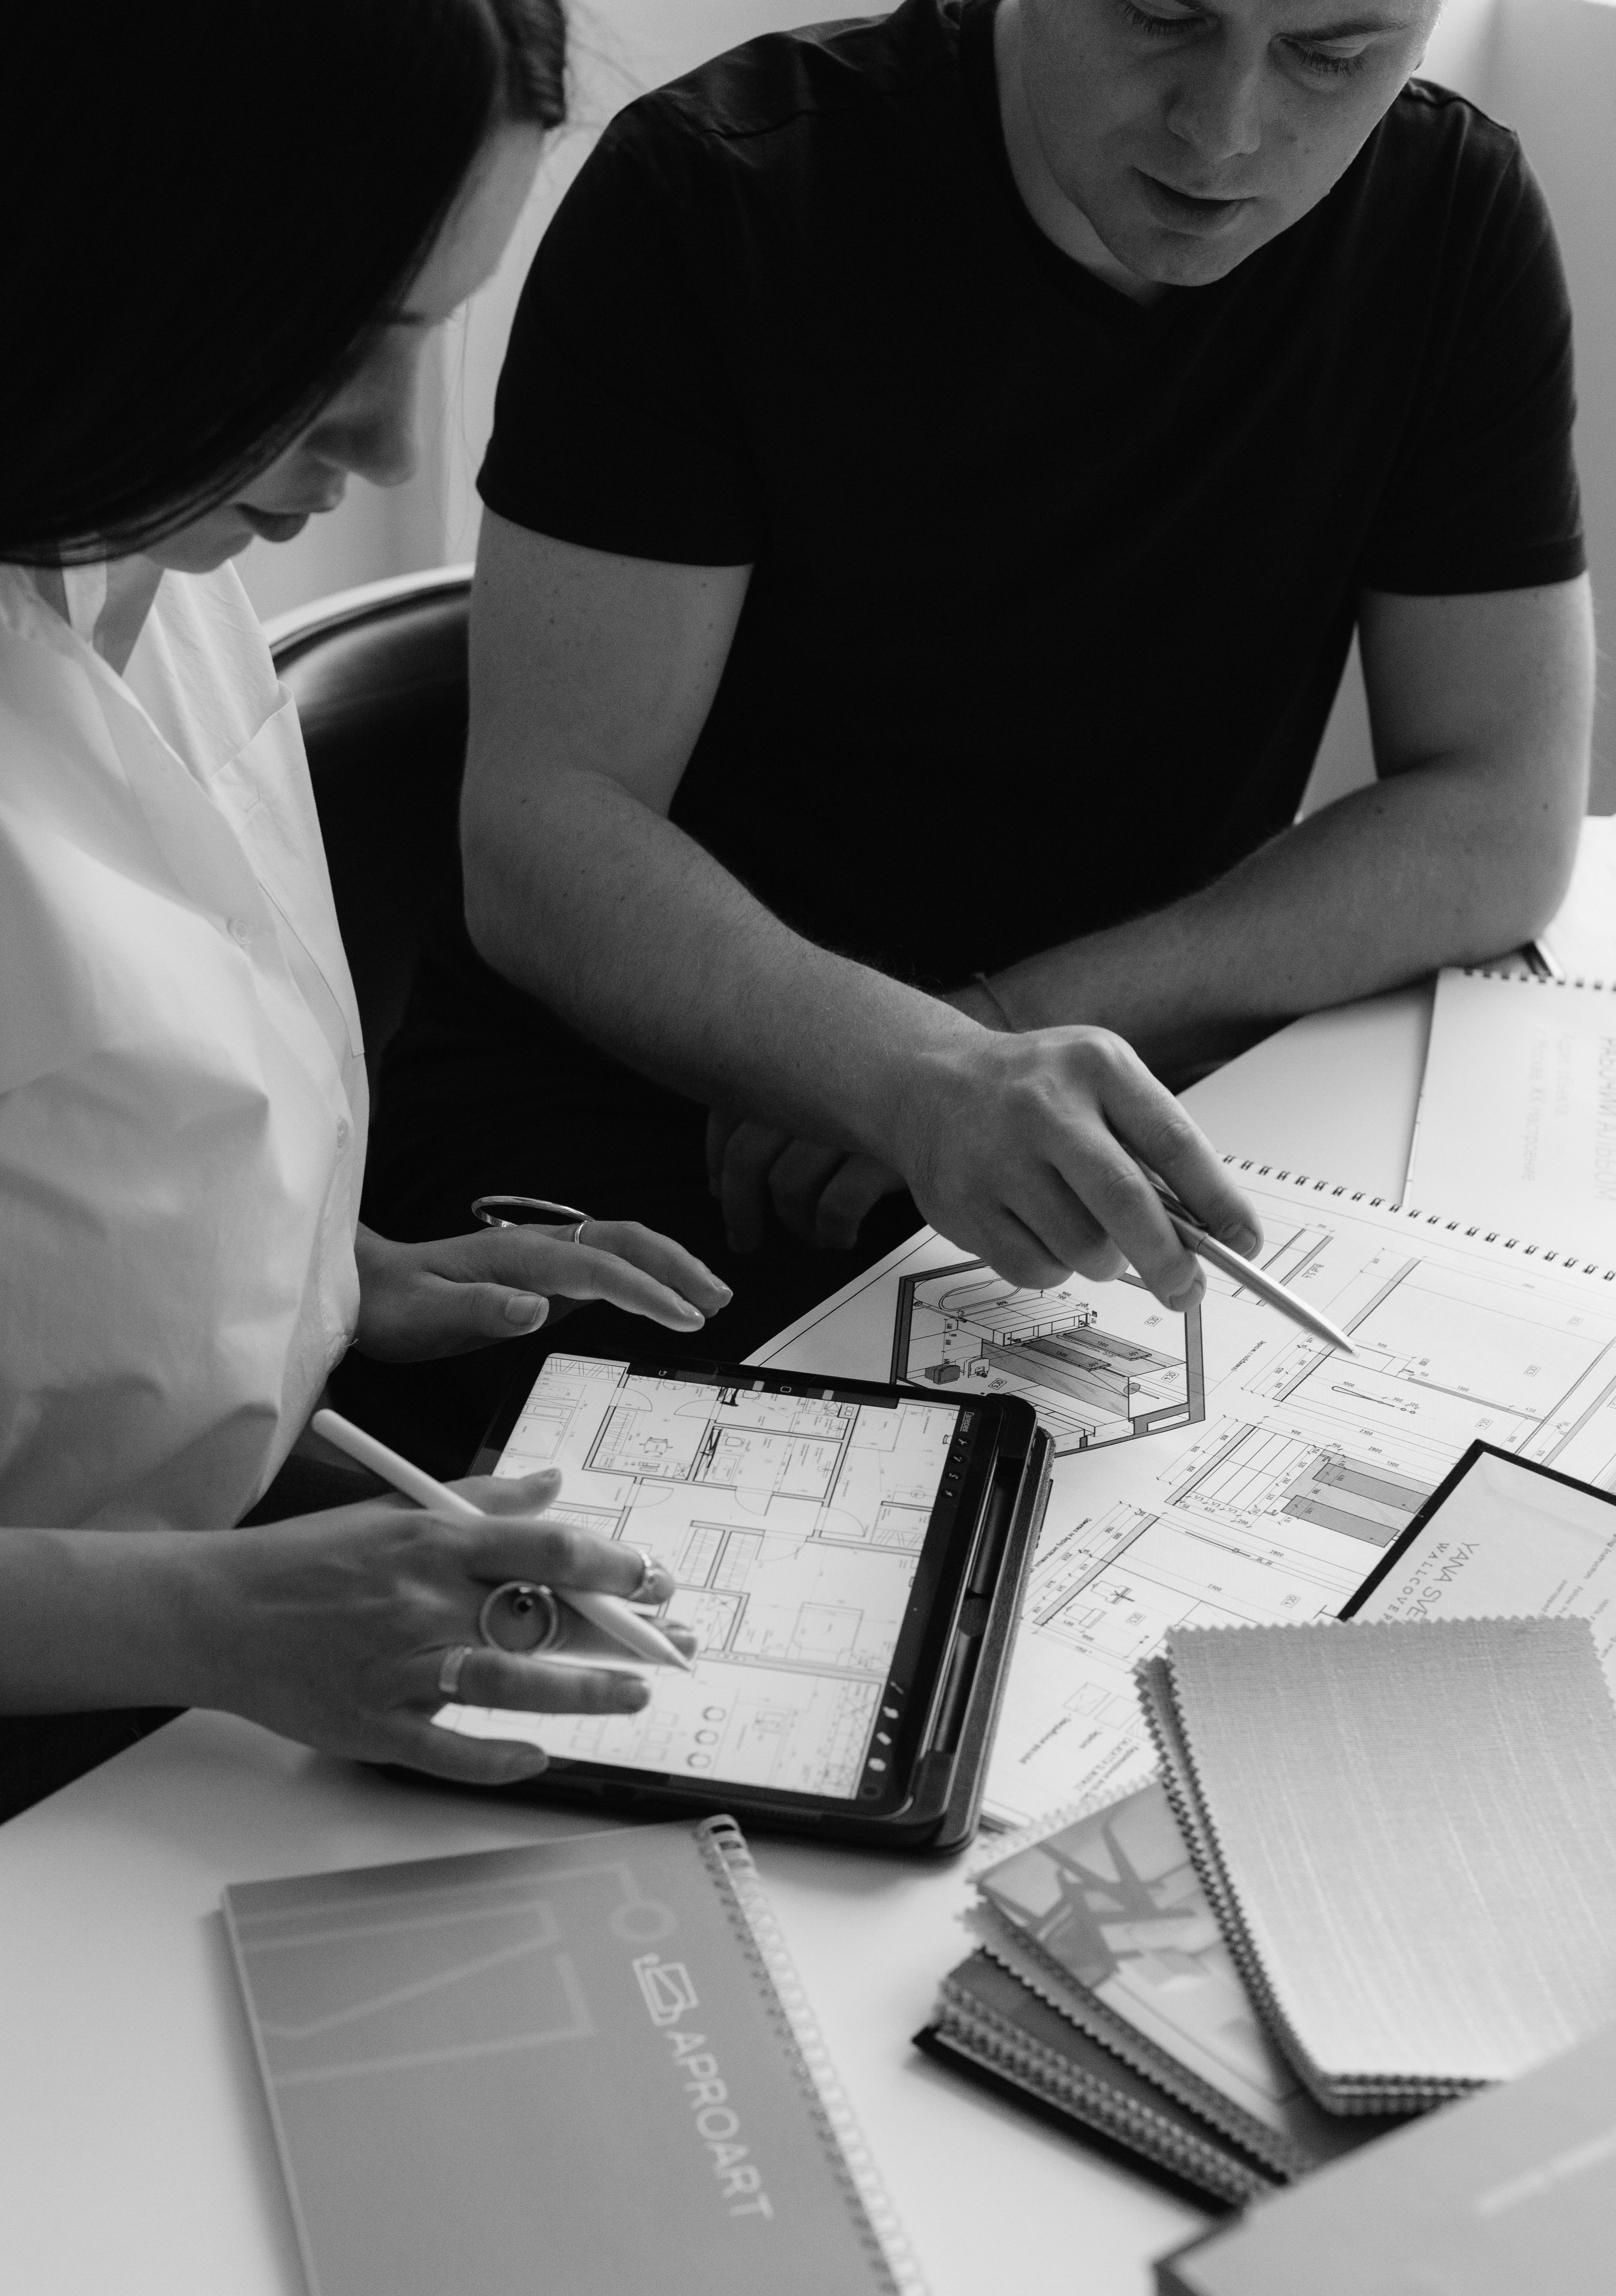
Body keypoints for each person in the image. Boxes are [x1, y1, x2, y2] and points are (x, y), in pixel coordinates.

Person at [360, 0, 1593, 1471]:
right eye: (1160, 16)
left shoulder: (1448, 216)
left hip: (1054, 1107)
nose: (1227, 129)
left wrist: (990, 1037)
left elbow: (1501, 814)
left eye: (1333, 55)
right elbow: (543, 835)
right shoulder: (723, 193)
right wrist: (903, 1073)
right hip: (646, 1147)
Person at [0, 0, 740, 1815]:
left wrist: (305, 1286)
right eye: (354, 330)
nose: (405, 448)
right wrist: (204, 1623)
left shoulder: (130, 550)